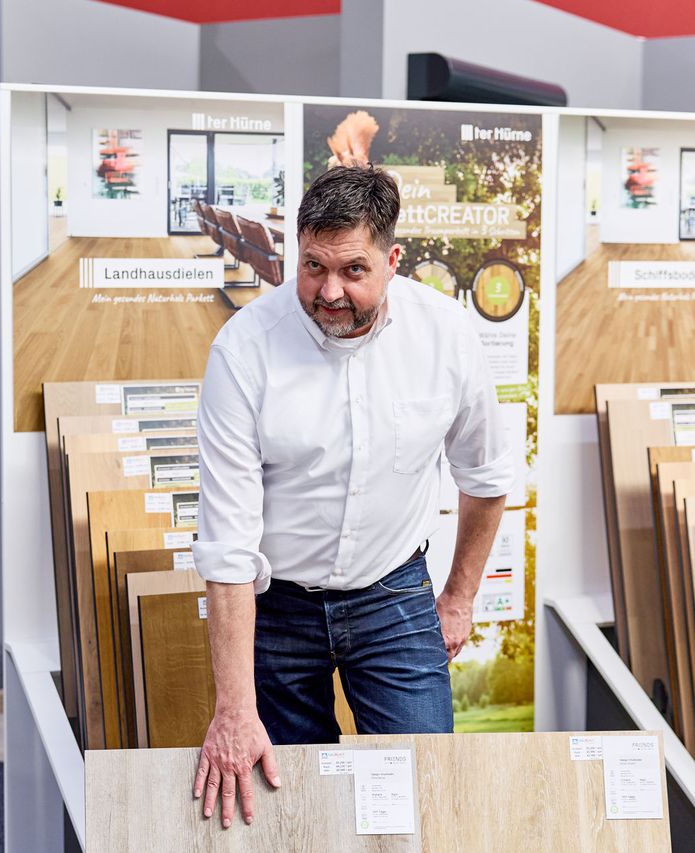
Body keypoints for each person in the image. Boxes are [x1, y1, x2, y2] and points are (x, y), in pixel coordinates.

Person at [190, 165, 513, 829]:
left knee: (425, 799)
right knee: (287, 814)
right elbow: (226, 546)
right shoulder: (244, 350)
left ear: (392, 261)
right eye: (311, 266)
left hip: (391, 596)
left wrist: (457, 596)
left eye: (352, 271)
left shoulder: (445, 337)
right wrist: (233, 707)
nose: (327, 291)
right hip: (273, 607)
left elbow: (483, 477)